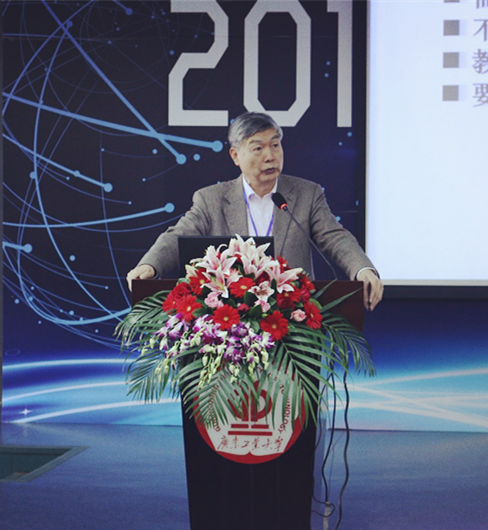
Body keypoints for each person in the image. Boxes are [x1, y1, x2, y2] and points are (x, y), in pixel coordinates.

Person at [127, 112, 383, 310]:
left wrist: (363, 269)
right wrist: (150, 264)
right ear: (235, 156)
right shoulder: (211, 200)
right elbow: (178, 235)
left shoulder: (307, 194)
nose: (270, 156)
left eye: (275, 145)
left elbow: (335, 237)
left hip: (293, 324)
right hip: (233, 325)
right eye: (258, 148)